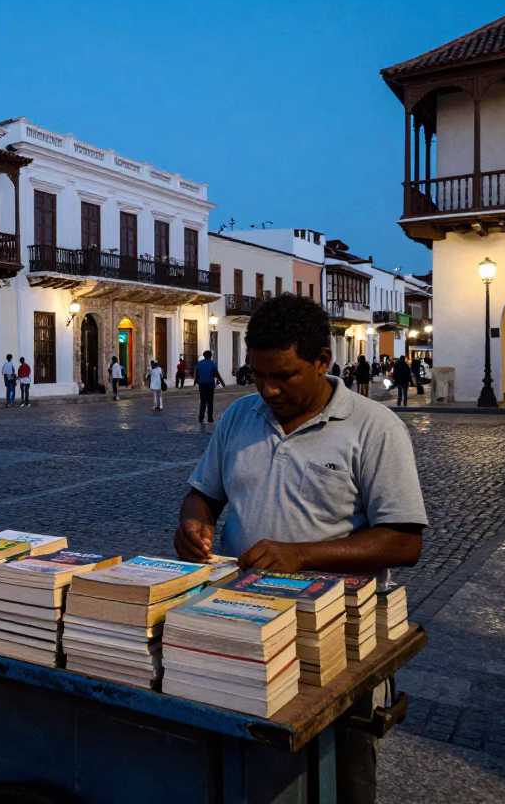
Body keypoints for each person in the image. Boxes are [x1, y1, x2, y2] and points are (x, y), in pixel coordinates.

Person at [172, 294, 426, 804]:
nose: (268, 389)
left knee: (340, 772)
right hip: (242, 617)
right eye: (257, 375)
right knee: (244, 765)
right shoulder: (240, 417)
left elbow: (404, 540)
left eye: (284, 376)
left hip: (333, 634)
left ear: (322, 363)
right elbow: (204, 493)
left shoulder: (375, 428)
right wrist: (192, 523)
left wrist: (300, 555)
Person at [193, 350, 226, 424]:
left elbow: (197, 374)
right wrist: (222, 382)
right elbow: (216, 374)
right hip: (210, 384)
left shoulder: (199, 364)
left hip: (201, 384)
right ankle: (210, 418)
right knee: (210, 401)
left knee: (203, 401)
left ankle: (201, 417)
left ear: (204, 356)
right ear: (210, 356)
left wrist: (195, 382)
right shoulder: (213, 364)